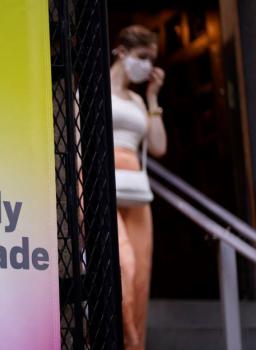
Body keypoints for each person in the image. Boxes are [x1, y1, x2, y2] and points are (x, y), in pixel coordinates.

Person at [110, 25, 167, 350]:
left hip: (137, 193)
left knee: (141, 276)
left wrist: (153, 97)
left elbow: (158, 147)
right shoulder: (94, 88)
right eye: (143, 57)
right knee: (122, 268)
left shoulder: (136, 99)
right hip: (105, 190)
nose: (147, 65)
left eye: (152, 59)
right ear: (122, 51)